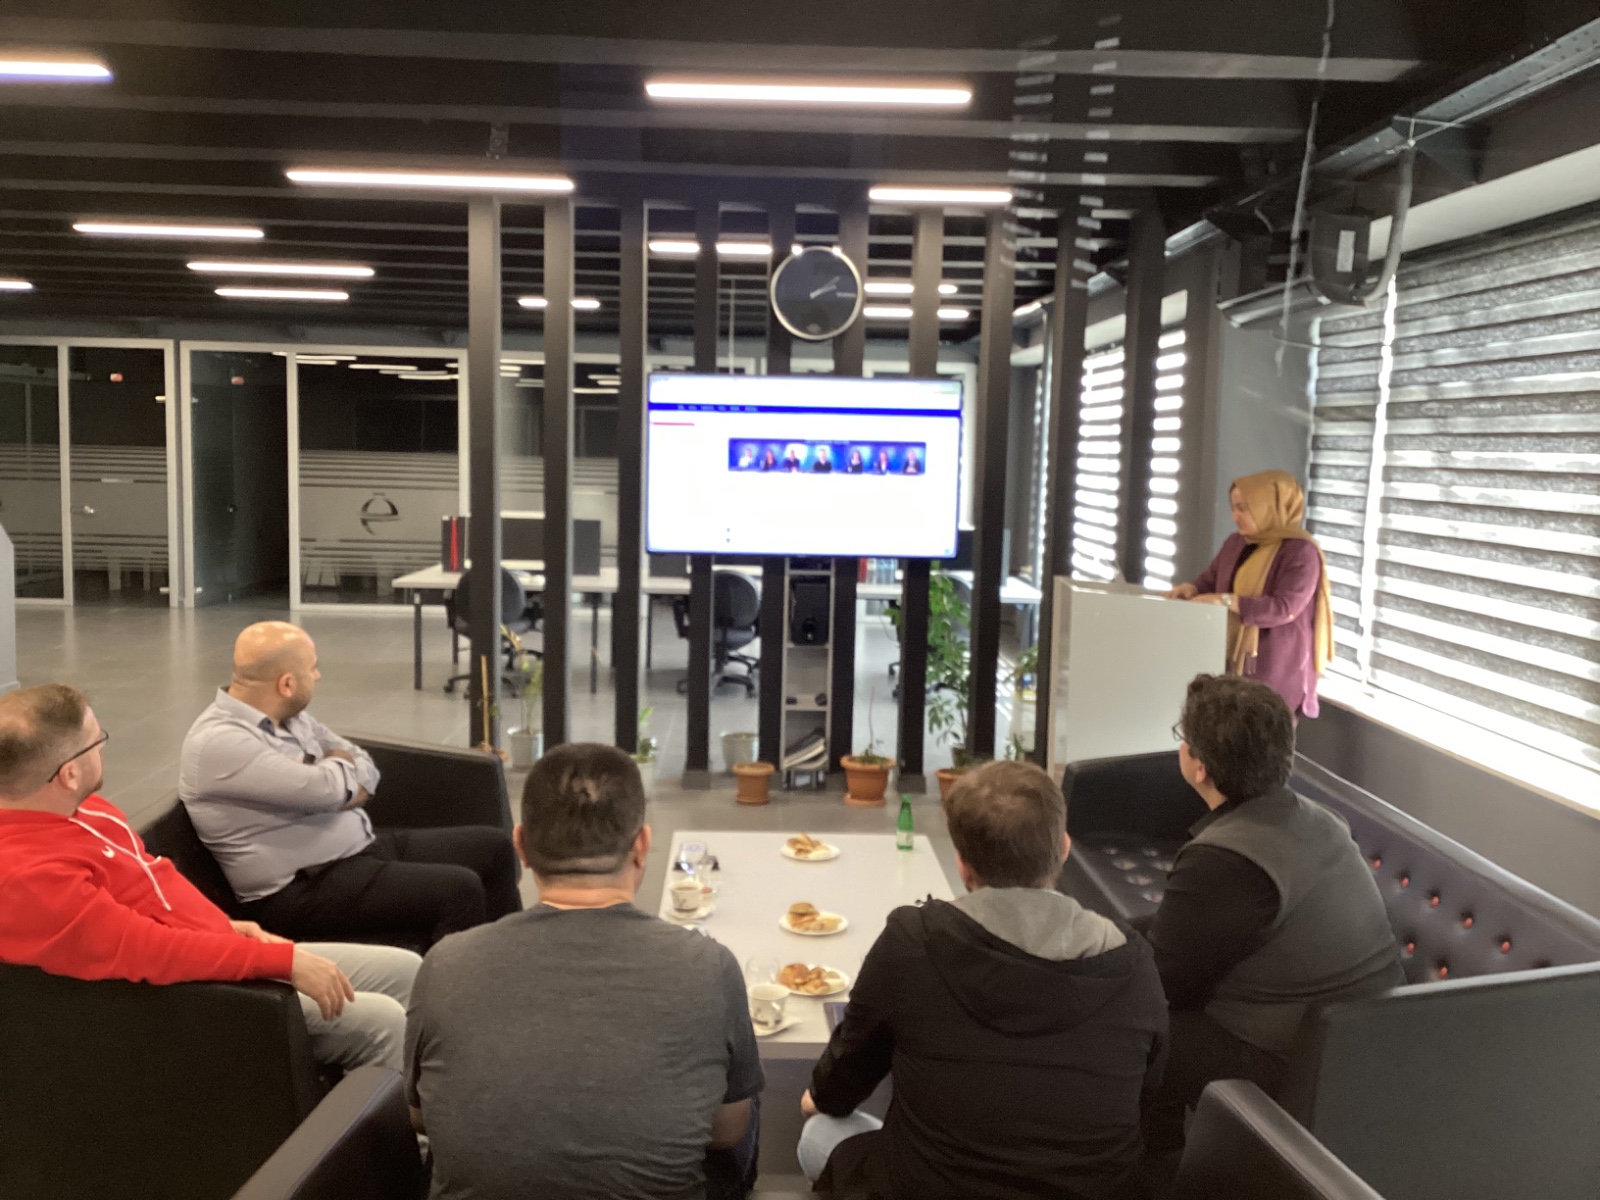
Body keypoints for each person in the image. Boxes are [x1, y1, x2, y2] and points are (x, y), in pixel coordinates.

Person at [405, 743, 763, 1200]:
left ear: (521, 846)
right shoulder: (710, 967)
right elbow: (728, 1129)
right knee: (741, 1099)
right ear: (642, 846)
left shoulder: (445, 965)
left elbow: (421, 1116)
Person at [799, 760, 1168, 1200]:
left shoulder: (913, 942)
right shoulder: (1133, 962)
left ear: (963, 864)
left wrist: (821, 1098)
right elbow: (1147, 1099)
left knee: (819, 1132)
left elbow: (849, 1071)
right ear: (1064, 847)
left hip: (931, 1187)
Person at [0, 684, 418, 1072]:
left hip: (221, 953)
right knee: (382, 1021)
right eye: (97, 741)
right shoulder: (30, 879)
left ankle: (428, 1097)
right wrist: (281, 961)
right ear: (69, 773)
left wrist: (229, 928)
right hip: (198, 1002)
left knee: (405, 970)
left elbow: (155, 885)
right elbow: (150, 950)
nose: (104, 748)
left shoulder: (85, 810)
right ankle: (399, 1127)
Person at [1142, 674, 1403, 1154]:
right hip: (1367, 1038)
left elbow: (1161, 984)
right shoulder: (1318, 819)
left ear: (1199, 767)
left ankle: (1156, 1168)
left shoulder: (1226, 860)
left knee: (1124, 1017)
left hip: (1290, 1061)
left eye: (1183, 738)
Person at [180, 621, 521, 950]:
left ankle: (513, 961)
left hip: (353, 850)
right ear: (287, 684)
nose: (318, 675)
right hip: (300, 889)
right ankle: (457, 985)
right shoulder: (221, 743)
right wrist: (336, 779)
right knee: (459, 890)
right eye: (312, 668)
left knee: (494, 848)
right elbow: (327, 790)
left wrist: (333, 776)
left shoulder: (287, 717)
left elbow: (360, 761)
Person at [1165, 470, 1334, 719]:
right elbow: (1212, 578)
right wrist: (1192, 588)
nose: (1235, 516)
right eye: (1233, 507)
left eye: (1244, 508)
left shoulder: (1300, 551)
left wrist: (1227, 601)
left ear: (1269, 506)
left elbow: (1284, 607)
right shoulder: (1236, 543)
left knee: (1262, 737)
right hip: (1229, 661)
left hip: (1275, 666)